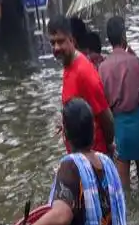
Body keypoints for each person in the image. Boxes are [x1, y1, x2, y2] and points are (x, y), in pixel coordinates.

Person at [48, 15, 113, 155]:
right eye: (52, 43)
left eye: (60, 41)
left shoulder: (84, 72)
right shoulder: (67, 65)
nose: (56, 47)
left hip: (93, 158)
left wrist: (107, 152)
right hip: (78, 157)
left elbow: (106, 117)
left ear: (72, 40)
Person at [99, 16, 139, 184]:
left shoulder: (103, 67)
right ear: (124, 36)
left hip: (119, 126)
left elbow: (103, 103)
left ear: (109, 38)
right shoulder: (136, 62)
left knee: (124, 186)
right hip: (137, 123)